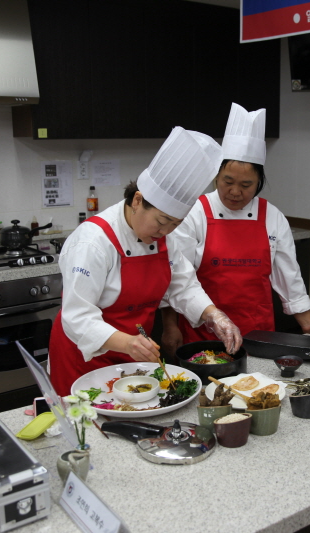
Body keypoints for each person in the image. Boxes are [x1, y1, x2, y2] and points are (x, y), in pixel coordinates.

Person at [49, 127, 243, 395]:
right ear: (137, 200)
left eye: (175, 224)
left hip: (135, 357)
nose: (165, 232)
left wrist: (214, 315)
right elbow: (77, 316)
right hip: (84, 359)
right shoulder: (93, 242)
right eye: (162, 221)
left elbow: (184, 286)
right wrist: (127, 343)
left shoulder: (165, 237)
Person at [161, 103, 310, 355]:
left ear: (259, 182)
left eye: (246, 185)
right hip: (204, 331)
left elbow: (289, 274)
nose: (235, 192)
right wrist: (170, 325)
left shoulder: (272, 216)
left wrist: (307, 321)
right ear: (216, 176)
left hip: (258, 331)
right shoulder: (195, 213)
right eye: (227, 181)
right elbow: (176, 276)